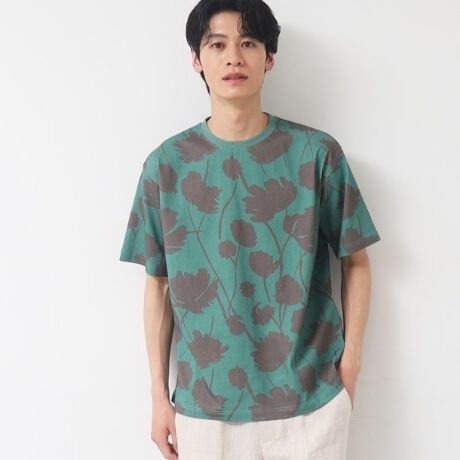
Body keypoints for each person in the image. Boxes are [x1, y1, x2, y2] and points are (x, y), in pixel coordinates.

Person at [119, 0, 381, 458]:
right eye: (217, 45)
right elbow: (158, 284)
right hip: (205, 413)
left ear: (269, 57)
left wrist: (351, 364)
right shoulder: (165, 166)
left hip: (311, 406)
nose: (234, 58)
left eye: (248, 43)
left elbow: (356, 261)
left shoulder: (317, 154)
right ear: (197, 60)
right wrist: (159, 397)